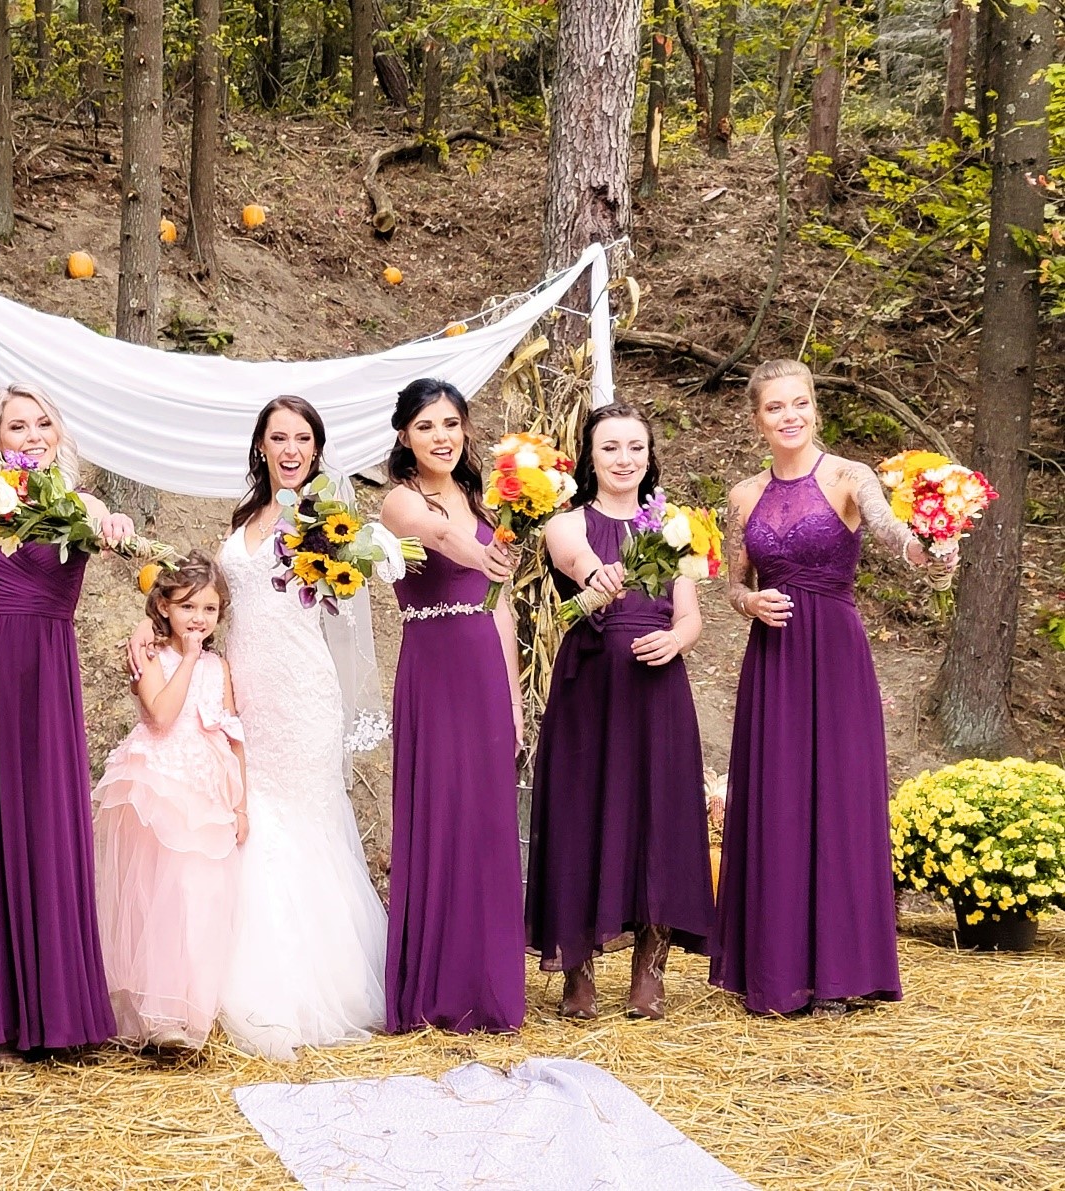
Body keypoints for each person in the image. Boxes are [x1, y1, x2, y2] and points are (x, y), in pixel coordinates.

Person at [128, 396, 387, 1059]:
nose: (292, 447)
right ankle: (217, 978)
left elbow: (347, 608)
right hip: (241, 688)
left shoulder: (327, 520)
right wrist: (149, 627)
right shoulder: (247, 518)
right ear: (261, 447)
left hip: (303, 691)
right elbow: (204, 598)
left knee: (298, 822)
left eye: (303, 437)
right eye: (280, 437)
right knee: (245, 823)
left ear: (317, 449)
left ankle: (303, 988)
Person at [711, 359, 946, 1017]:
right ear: (757, 418)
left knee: (839, 798)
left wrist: (926, 551)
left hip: (836, 654)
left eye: (800, 404)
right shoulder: (741, 495)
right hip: (775, 657)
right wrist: (748, 601)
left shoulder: (849, 476)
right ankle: (779, 970)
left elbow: (892, 530)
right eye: (775, 407)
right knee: (780, 799)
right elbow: (732, 582)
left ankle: (841, 972)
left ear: (815, 408)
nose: (789, 416)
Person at [0, 382, 133, 1066]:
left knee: (42, 836)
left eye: (43, 423)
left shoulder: (76, 505)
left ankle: (52, 1016)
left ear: (58, 435)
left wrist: (116, 527)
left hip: (42, 695)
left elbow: (107, 526)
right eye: (18, 424)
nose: (32, 434)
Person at [525, 402, 715, 1022]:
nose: (623, 459)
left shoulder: (674, 527)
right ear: (591, 456)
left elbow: (690, 614)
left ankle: (649, 975)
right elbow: (579, 559)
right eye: (610, 448)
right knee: (581, 816)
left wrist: (678, 639)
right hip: (589, 689)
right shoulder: (566, 522)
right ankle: (576, 974)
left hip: (658, 689)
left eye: (635, 447)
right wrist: (599, 577)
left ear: (649, 454)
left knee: (657, 820)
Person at [377, 379, 526, 1034]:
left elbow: (505, 607)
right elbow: (438, 537)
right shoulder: (399, 501)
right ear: (405, 435)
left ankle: (487, 989)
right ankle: (434, 991)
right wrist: (488, 554)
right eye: (427, 425)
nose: (442, 435)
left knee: (488, 825)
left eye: (451, 423)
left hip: (485, 669)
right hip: (433, 668)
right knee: (440, 816)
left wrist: (515, 698)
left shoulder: (483, 498)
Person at [91, 552, 247, 1050]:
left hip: (205, 789)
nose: (198, 619)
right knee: (159, 895)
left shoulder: (219, 666)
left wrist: (241, 805)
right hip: (159, 786)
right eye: (188, 607)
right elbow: (161, 715)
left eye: (209, 610)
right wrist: (190, 657)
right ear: (163, 606)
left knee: (200, 898)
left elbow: (232, 735)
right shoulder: (151, 657)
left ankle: (191, 1009)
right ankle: (156, 1016)